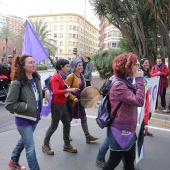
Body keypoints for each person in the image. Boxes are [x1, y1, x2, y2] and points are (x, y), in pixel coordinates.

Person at [5, 54, 50, 170]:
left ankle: (13, 161)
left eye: (34, 62)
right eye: (30, 62)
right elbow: (9, 104)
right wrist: (26, 106)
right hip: (23, 120)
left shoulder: (36, 79)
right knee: (30, 148)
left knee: (23, 140)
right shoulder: (17, 83)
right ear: (23, 66)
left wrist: (45, 90)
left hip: (35, 117)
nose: (33, 64)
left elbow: (35, 93)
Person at [103, 53, 145, 170]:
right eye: (135, 64)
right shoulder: (119, 85)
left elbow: (132, 92)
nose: (138, 67)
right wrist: (139, 80)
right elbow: (139, 101)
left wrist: (138, 84)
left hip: (128, 128)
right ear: (127, 67)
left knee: (129, 163)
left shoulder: (123, 81)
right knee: (112, 163)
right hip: (120, 131)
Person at [42, 59, 79, 155]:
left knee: (67, 124)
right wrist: (69, 90)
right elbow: (55, 91)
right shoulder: (56, 77)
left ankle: (67, 144)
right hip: (57, 106)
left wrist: (69, 90)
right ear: (62, 67)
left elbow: (63, 89)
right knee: (53, 126)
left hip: (63, 104)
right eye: (67, 66)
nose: (69, 68)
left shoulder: (62, 76)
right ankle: (45, 144)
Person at [65, 58, 98, 143]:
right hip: (72, 102)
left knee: (84, 118)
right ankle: (67, 135)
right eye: (79, 65)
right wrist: (73, 97)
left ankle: (87, 136)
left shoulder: (82, 76)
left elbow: (83, 89)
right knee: (69, 119)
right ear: (74, 67)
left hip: (80, 102)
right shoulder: (70, 77)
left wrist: (89, 96)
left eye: (82, 65)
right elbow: (65, 90)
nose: (81, 67)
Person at [140, 58, 153, 137]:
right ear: (142, 64)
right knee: (143, 113)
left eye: (148, 63)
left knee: (147, 113)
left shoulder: (147, 72)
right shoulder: (140, 73)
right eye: (145, 63)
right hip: (142, 95)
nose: (147, 64)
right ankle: (142, 130)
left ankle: (145, 130)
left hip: (147, 95)